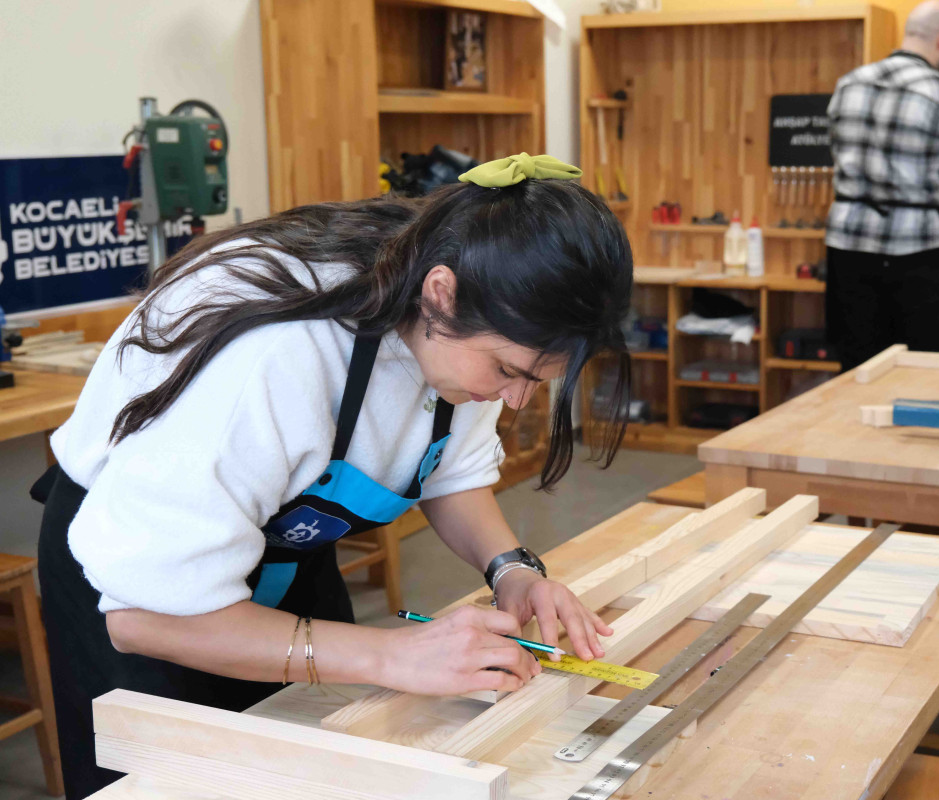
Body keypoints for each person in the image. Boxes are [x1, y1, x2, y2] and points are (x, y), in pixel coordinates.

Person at [32, 153, 633, 798]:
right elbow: (146, 617)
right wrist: (387, 654)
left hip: (285, 559)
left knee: (319, 768)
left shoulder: (463, 321)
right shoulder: (274, 356)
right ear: (440, 293)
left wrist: (511, 569)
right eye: (509, 372)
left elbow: (448, 473)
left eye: (534, 382)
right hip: (143, 580)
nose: (515, 401)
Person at [824, 0, 939, 371]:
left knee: (857, 370)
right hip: (916, 252)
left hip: (848, 246)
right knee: (924, 371)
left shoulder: (848, 83)